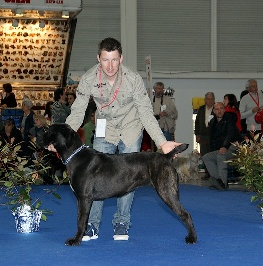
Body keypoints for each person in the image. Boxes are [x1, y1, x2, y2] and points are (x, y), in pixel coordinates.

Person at [54, 37, 181, 242]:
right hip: (105, 129)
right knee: (92, 178)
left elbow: (146, 113)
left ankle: (122, 221)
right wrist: (63, 139)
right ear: (98, 58)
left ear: (121, 58)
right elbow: (77, 111)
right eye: (105, 60)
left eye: (114, 60)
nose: (110, 66)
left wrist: (162, 142)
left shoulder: (133, 79)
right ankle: (92, 225)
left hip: (131, 128)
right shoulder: (88, 79)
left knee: (128, 177)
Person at [202, 102, 243, 190]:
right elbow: (212, 140)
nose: (219, 111)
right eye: (217, 109)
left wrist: (224, 146)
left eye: (221, 108)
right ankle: (218, 181)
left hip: (234, 147)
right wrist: (212, 151)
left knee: (221, 155)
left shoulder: (229, 120)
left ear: (224, 110)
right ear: (214, 111)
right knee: (206, 157)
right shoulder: (213, 122)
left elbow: (230, 135)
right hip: (223, 148)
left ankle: (223, 183)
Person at [194, 92, 215, 157]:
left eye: (212, 99)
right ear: (205, 100)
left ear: (214, 100)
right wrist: (197, 134)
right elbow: (197, 122)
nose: (210, 101)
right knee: (203, 155)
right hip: (203, 136)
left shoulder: (216, 109)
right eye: (208, 99)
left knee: (212, 154)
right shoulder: (201, 109)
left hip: (213, 136)